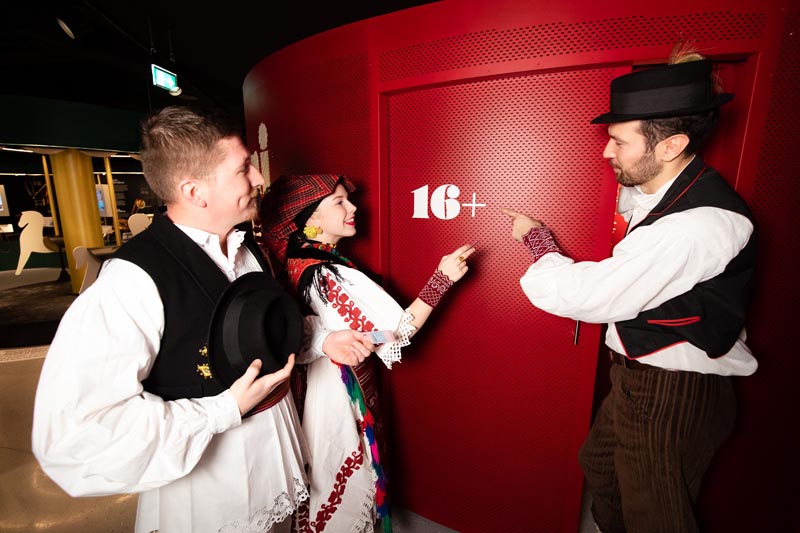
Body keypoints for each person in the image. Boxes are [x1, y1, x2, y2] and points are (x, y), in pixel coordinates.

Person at [31, 106, 375, 533]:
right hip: (213, 490)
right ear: (194, 191)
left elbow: (261, 336)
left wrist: (321, 339)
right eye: (243, 169)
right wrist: (221, 411)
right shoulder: (131, 281)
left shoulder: (249, 250)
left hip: (275, 461)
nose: (259, 179)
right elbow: (74, 435)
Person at [501, 52, 757, 533]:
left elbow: (590, 294)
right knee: (600, 467)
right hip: (639, 378)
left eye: (619, 141)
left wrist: (537, 241)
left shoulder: (696, 225)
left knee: (655, 516)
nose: (606, 152)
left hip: (674, 388)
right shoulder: (670, 195)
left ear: (671, 145)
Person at [258, 174, 476, 532]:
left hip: (314, 380)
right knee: (341, 474)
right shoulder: (325, 273)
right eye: (339, 202)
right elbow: (398, 331)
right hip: (335, 388)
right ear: (311, 218)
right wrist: (442, 278)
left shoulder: (301, 260)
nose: (353, 208)